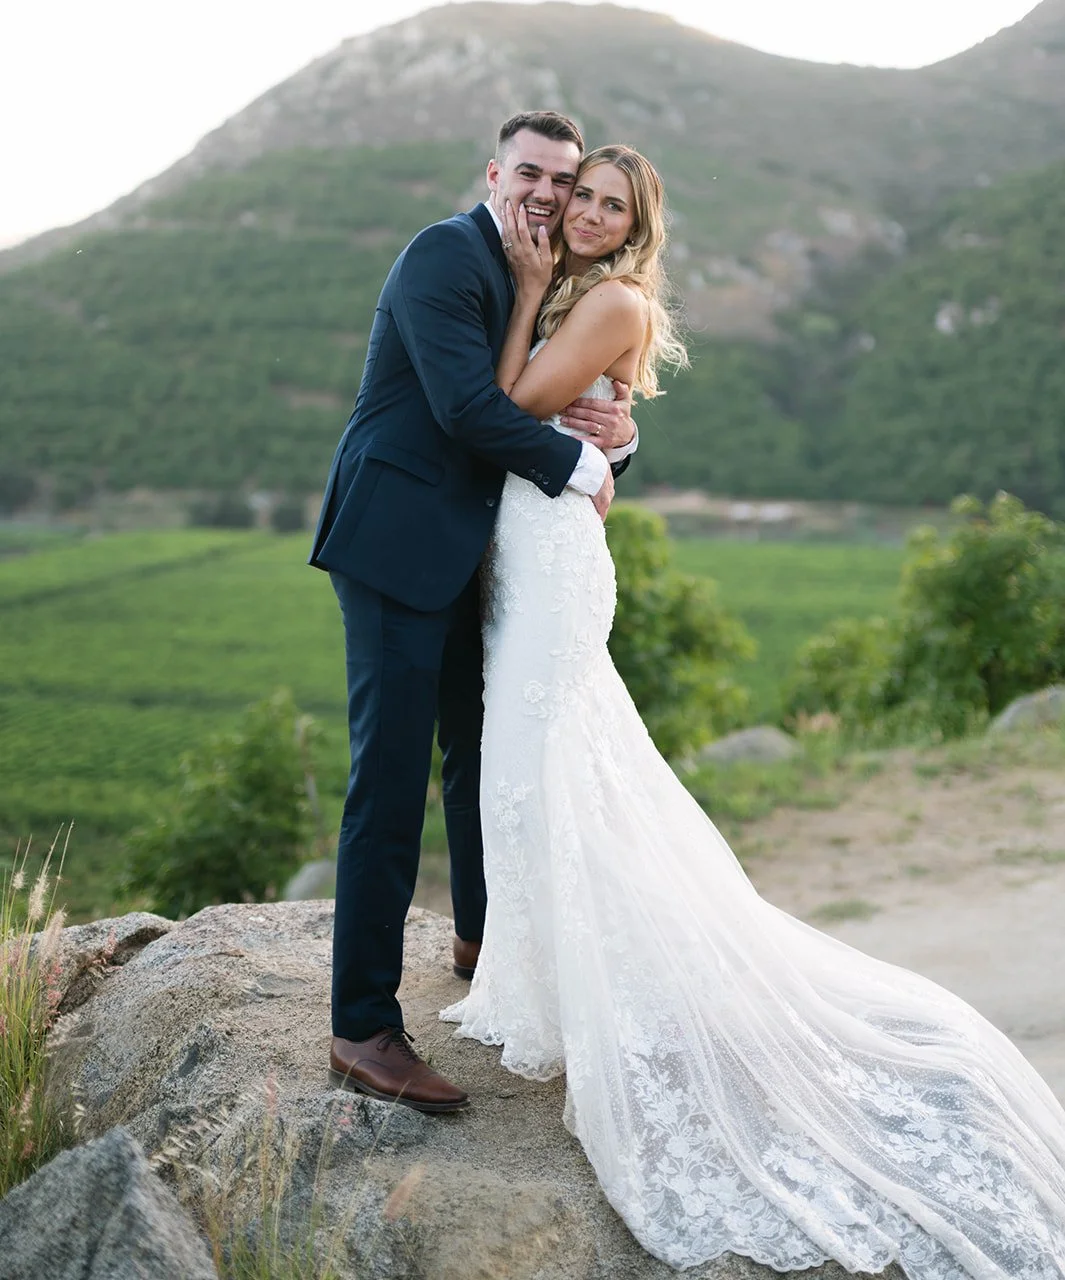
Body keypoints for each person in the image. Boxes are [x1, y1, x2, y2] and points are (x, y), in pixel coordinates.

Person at [443, 144, 1065, 1275]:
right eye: (578, 194)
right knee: (528, 764)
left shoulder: (605, 296)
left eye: (608, 204)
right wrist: (600, 425)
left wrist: (533, 300)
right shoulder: (595, 296)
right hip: (530, 548)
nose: (583, 212)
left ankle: (609, 978)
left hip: (553, 558)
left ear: (635, 227)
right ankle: (536, 976)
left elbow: (507, 403)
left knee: (557, 762)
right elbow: (558, 418)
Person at [308, 111, 637, 1112]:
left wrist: (613, 443)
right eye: (532, 173)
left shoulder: (549, 273)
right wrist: (585, 468)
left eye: (567, 179)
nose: (550, 193)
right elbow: (464, 409)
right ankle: (362, 1025)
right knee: (391, 779)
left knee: (479, 749)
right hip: (398, 542)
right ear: (495, 171)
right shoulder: (444, 257)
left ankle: (481, 934)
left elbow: (558, 398)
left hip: (472, 554)